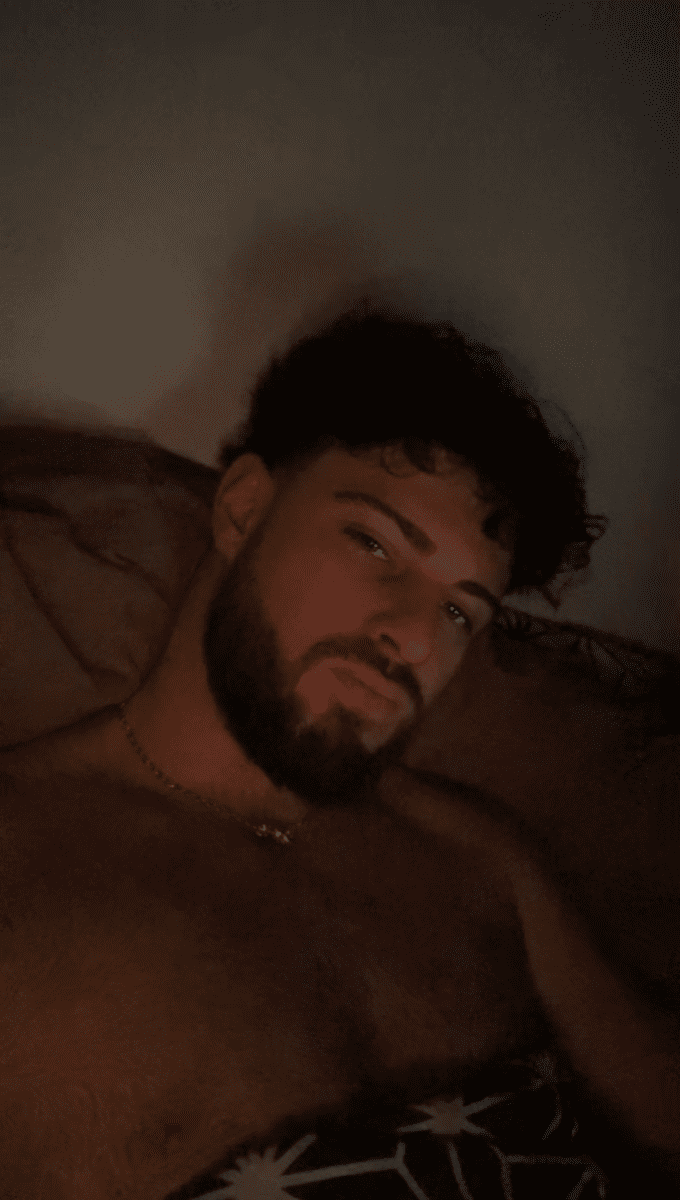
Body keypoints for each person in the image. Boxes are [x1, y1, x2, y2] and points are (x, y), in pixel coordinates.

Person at [1, 302, 677, 1199]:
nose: (417, 638)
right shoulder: (21, 857)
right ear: (242, 508)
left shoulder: (483, 856)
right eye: (375, 543)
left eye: (460, 610)